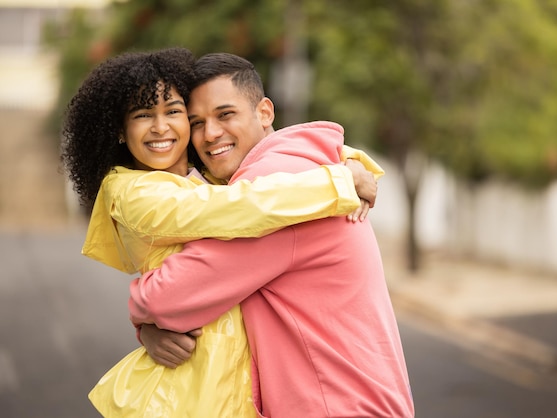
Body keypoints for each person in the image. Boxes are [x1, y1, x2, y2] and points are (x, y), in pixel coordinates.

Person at [61, 47, 381, 417]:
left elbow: (284, 167)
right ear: (119, 130)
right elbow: (238, 208)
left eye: (174, 112)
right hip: (187, 388)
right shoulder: (135, 192)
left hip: (232, 383)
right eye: (143, 115)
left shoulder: (208, 179)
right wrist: (337, 183)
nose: (161, 127)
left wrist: (353, 162)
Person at [131, 52, 415, 417]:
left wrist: (142, 316)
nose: (210, 134)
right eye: (197, 122)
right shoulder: (303, 170)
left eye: (225, 114)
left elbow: (168, 298)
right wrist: (151, 331)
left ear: (265, 112)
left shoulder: (272, 190)